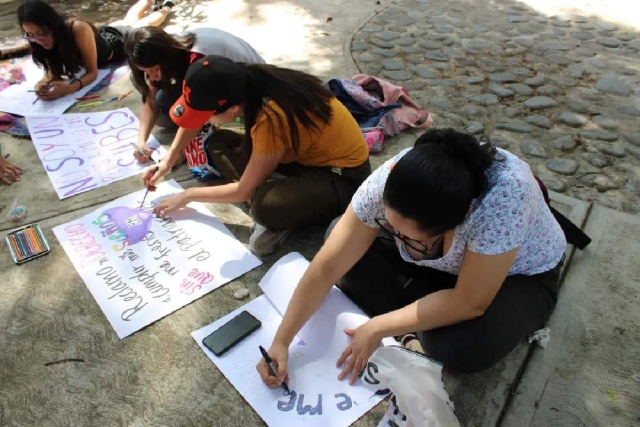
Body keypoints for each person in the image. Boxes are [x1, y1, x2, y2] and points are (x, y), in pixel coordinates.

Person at [256, 128, 567, 388]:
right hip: (443, 268)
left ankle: (422, 313)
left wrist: (377, 327)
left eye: (411, 238)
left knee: (463, 348)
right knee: (340, 238)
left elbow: (471, 302)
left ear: (459, 222)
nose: (397, 238)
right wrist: (282, 340)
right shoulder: (394, 178)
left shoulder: (503, 200)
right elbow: (326, 267)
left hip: (519, 277)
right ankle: (422, 313)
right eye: (391, 228)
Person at [145, 55, 371, 254]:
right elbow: (197, 121)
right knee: (218, 143)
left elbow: (244, 190)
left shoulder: (270, 116)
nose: (205, 122)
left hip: (343, 177)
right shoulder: (246, 80)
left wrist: (188, 195)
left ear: (232, 109)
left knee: (264, 206)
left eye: (207, 116)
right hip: (302, 158)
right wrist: (168, 161)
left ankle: (285, 213)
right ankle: (286, 192)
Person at [123, 26, 265, 179]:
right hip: (225, 85)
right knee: (162, 102)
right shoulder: (167, 52)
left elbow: (198, 111)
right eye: (146, 72)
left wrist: (172, 158)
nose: (153, 78)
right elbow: (151, 102)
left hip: (254, 89)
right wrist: (142, 142)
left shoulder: (199, 62)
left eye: (155, 70)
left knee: (216, 145)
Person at [17, 0, 173, 101]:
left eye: (42, 33)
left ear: (52, 25)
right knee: (128, 19)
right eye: (31, 36)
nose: (38, 40)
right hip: (99, 37)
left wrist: (69, 89)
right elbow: (52, 69)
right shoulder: (36, 37)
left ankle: (167, 6)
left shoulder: (76, 28)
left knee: (146, 23)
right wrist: (43, 82)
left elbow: (92, 72)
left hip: (117, 43)